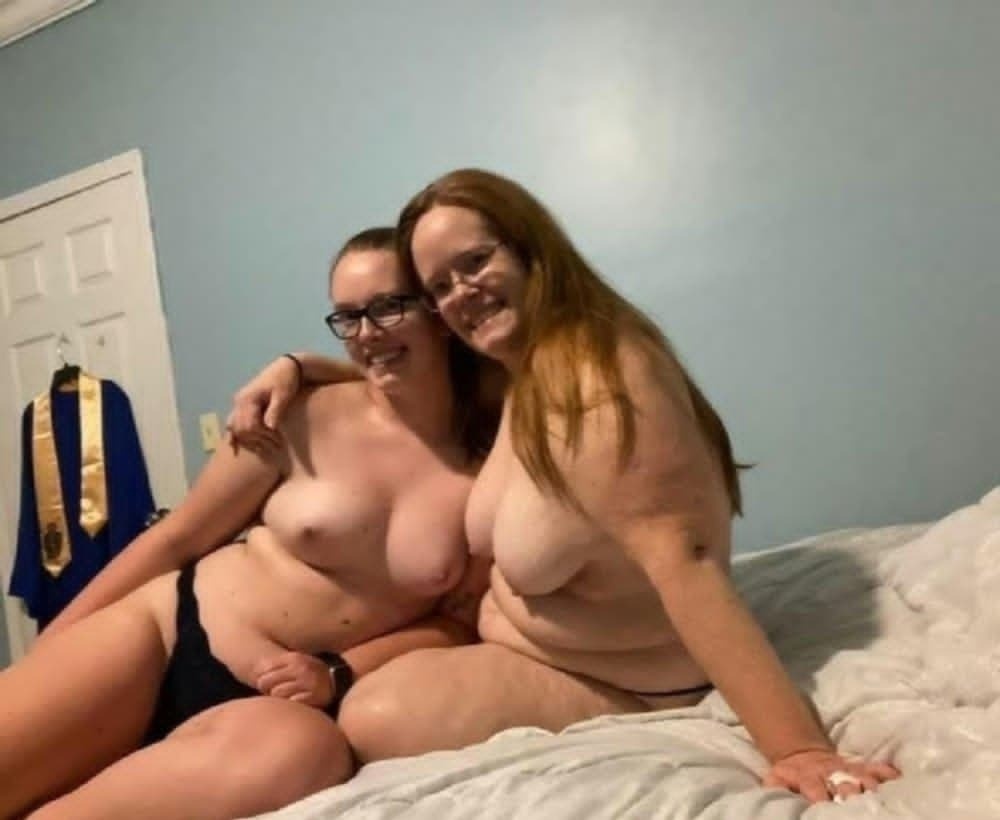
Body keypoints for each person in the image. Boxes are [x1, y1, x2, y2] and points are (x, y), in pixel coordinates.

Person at [229, 169, 901, 805]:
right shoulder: (517, 368)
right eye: (440, 287)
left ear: (531, 249)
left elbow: (687, 561)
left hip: (627, 678)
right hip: (530, 648)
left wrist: (799, 748)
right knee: (349, 701)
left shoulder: (607, 381)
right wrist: (301, 367)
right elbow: (402, 373)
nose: (461, 293)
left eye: (475, 261)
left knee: (373, 717)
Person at [0, 227, 494, 820]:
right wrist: (55, 644)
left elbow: (459, 623)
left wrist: (339, 673)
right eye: (347, 317)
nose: (366, 333)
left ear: (438, 311)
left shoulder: (490, 466)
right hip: (165, 629)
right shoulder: (296, 414)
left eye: (388, 307)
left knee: (305, 754)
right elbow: (178, 537)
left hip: (279, 702)